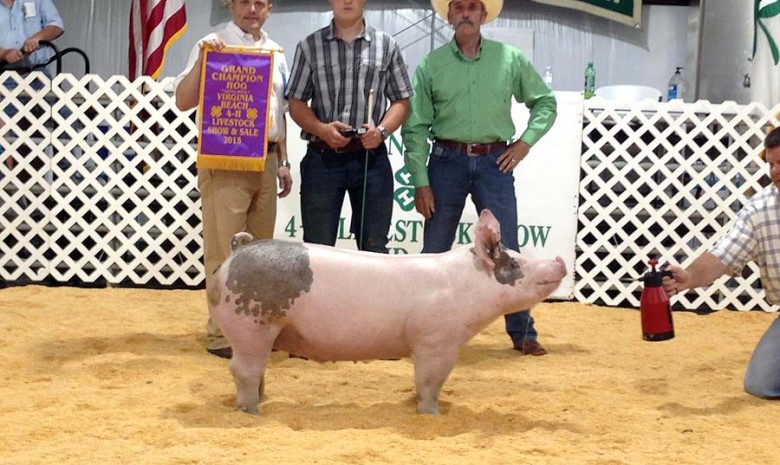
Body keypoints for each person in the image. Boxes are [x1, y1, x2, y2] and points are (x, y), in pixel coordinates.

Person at [402, 0, 557, 355]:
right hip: (445, 161)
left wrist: (524, 144)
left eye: (473, 7)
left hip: (495, 162)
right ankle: (425, 330)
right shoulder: (431, 65)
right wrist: (420, 180)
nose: (466, 13)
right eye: (459, 7)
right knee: (434, 251)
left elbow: (544, 102)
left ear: (484, 15)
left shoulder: (509, 59)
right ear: (450, 16)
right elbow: (415, 126)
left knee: (508, 250)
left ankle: (522, 332)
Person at [174, 0, 292, 359]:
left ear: (269, 9)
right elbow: (183, 100)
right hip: (225, 158)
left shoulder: (276, 52)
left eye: (259, 3)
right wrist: (204, 63)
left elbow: (278, 111)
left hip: (268, 158)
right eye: (244, 1)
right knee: (224, 251)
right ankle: (221, 334)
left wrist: (284, 161)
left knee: (260, 254)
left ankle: (253, 331)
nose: (251, 9)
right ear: (232, 5)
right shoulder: (211, 44)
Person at [285, 0, 413, 253]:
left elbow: (402, 100)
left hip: (371, 160)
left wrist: (382, 131)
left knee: (374, 248)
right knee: (317, 250)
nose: (347, 1)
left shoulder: (387, 45)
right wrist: (321, 129)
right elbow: (296, 101)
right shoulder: (310, 46)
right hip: (322, 159)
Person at [663, 126, 780, 399]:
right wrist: (689, 278)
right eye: (771, 164)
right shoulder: (759, 209)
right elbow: (723, 256)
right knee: (759, 384)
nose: (774, 172)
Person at [0, 0, 64, 75]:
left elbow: (57, 25)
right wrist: (3, 53)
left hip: (38, 72)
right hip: (3, 73)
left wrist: (38, 37)